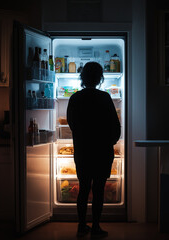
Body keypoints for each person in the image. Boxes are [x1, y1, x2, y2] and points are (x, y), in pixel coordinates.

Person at [67, 62, 121, 238]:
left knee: (83, 188)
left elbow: (72, 124)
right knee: (98, 189)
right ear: (100, 78)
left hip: (83, 150)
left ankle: (82, 226)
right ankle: (96, 226)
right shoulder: (104, 97)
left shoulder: (75, 98)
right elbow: (115, 126)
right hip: (102, 151)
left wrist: (83, 138)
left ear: (82, 78)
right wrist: (110, 142)